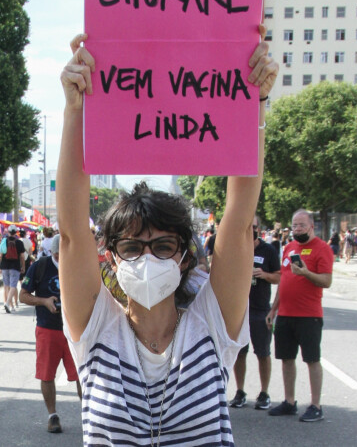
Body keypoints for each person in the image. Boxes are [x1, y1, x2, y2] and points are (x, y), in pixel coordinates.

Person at [56, 28, 278, 445]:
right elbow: (70, 234)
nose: (146, 258)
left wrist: (255, 104)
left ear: (185, 257)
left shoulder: (212, 325)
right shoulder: (95, 326)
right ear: (111, 257)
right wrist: (75, 110)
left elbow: (239, 221)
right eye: (131, 247)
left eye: (162, 246)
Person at [266, 209, 333, 422]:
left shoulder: (322, 249)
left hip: (309, 314)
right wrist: (273, 309)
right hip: (285, 313)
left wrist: (306, 273)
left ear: (311, 226)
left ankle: (315, 405)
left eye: (301, 225)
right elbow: (284, 280)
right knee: (286, 359)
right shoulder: (289, 248)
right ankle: (289, 401)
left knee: (312, 359)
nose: (297, 229)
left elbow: (326, 281)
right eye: (294, 225)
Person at [19, 232, 81, 433]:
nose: (61, 260)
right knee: (47, 374)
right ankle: (52, 415)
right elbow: (23, 296)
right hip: (48, 328)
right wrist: (44, 301)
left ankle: (90, 413)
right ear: (52, 253)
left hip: (76, 329)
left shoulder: (78, 264)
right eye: (57, 257)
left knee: (82, 374)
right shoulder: (41, 266)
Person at [229, 215, 281, 410]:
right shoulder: (235, 249)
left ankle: (264, 392)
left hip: (259, 310)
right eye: (247, 227)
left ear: (259, 229)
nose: (251, 230)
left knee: (262, 353)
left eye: (254, 227)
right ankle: (240, 391)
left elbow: (278, 277)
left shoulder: (268, 250)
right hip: (238, 311)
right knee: (239, 353)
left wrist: (264, 274)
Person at [0, 225, 25, 313]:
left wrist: (0, 266)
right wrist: (23, 266)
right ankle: (8, 304)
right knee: (13, 286)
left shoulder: (4, 241)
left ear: (8, 232)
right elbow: (22, 256)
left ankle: (9, 304)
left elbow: (1, 254)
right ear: (16, 232)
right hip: (15, 266)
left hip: (5, 266)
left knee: (6, 286)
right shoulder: (19, 243)